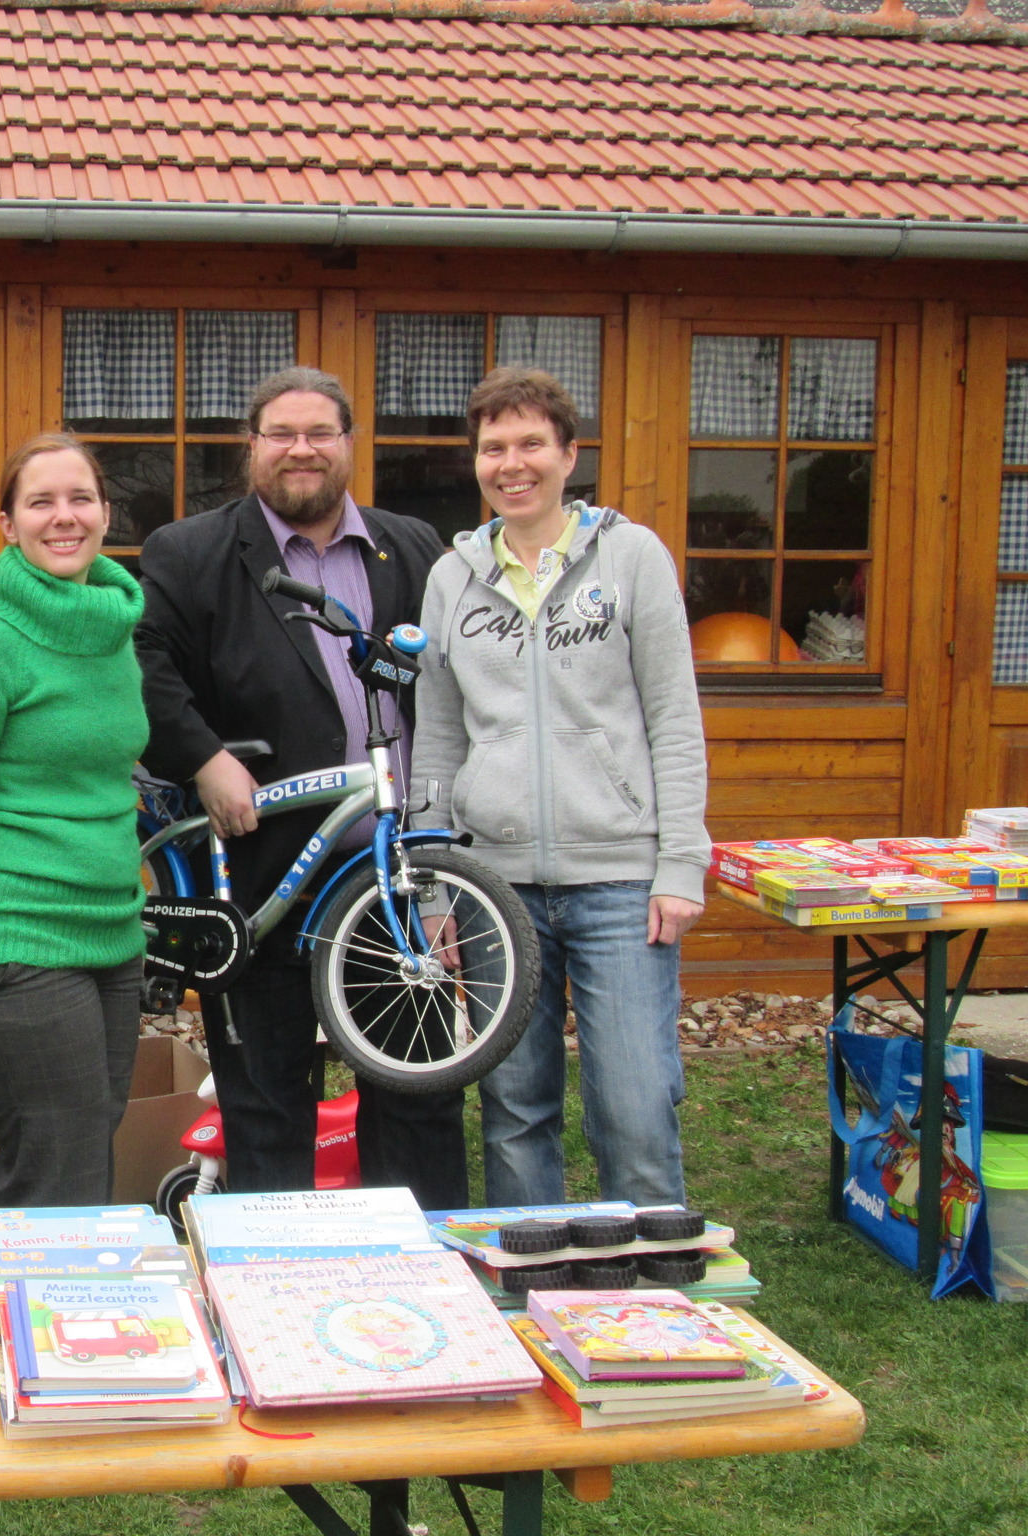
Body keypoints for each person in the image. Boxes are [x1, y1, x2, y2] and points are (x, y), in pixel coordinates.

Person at [136, 366, 468, 1208]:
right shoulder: (190, 551)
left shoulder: (415, 547)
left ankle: (426, 1275)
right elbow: (145, 668)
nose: (301, 449)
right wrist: (205, 758)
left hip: (391, 877)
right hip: (262, 867)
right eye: (281, 433)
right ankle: (270, 1291)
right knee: (266, 1099)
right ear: (253, 447)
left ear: (350, 445)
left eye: (320, 432)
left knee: (415, 1088)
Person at [410, 366, 709, 1207]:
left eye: (531, 443)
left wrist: (681, 863)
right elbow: (434, 739)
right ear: (476, 461)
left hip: (620, 880)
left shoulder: (631, 557)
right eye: (494, 446)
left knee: (637, 1103)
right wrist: (436, 888)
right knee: (514, 1108)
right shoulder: (452, 577)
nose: (513, 463)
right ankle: (532, 1288)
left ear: (569, 455)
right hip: (495, 885)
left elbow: (674, 719)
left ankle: (656, 1293)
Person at [0, 434, 149, 1207]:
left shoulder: (110, 630)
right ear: (8, 525)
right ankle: (24, 1321)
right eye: (40, 502)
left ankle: (53, 1317)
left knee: (87, 1136)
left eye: (80, 498)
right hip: (19, 936)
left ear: (105, 513)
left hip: (112, 933)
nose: (64, 517)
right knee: (58, 1160)